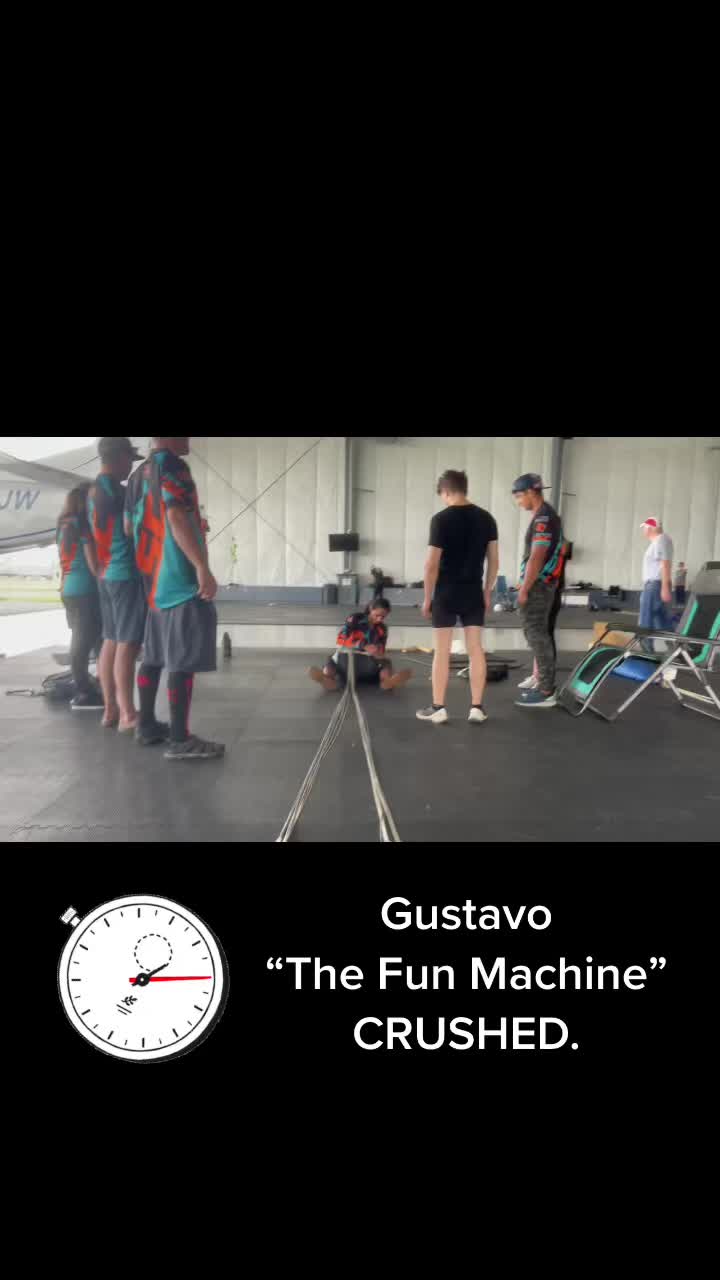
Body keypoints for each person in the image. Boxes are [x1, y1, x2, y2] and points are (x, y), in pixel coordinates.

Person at [128, 436, 225, 761]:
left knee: (154, 656)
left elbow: (130, 527)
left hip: (153, 582)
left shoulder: (138, 474)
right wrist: (201, 566)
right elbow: (174, 516)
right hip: (179, 580)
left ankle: (145, 725)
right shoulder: (173, 466)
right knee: (181, 661)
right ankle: (180, 739)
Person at [416, 470, 499, 725]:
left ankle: (438, 707)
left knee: (442, 652)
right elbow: (494, 561)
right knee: (476, 650)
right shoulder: (487, 518)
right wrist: (487, 592)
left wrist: (427, 598)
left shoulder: (440, 520)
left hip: (446, 593)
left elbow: (431, 565)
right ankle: (477, 708)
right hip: (473, 592)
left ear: (446, 492)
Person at [88, 437, 146, 732]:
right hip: (124, 573)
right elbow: (131, 528)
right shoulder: (116, 491)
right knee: (128, 642)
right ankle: (128, 714)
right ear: (119, 457)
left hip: (107, 574)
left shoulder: (93, 490)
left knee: (110, 639)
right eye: (129, 460)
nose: (130, 466)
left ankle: (111, 708)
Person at [512, 474, 566, 709]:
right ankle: (543, 683)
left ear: (530, 492)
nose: (517, 502)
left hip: (539, 586)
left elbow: (537, 556)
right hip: (541, 582)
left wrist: (525, 588)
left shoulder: (544, 518)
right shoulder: (545, 515)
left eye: (518, 496)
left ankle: (546, 690)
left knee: (536, 635)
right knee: (538, 634)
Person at [57, 485, 104, 711]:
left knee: (85, 639)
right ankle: (85, 691)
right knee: (84, 642)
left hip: (68, 588)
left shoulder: (63, 526)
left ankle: (93, 686)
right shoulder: (82, 526)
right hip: (85, 589)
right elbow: (93, 564)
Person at [308, 599, 413, 692]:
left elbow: (381, 650)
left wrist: (378, 652)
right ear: (371, 609)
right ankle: (327, 678)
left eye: (383, 617)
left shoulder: (381, 628)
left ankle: (387, 682)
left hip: (365, 667)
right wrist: (364, 645)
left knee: (332, 660)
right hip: (351, 663)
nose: (380, 619)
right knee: (332, 660)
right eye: (377, 615)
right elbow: (343, 639)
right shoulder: (356, 619)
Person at [518, 538, 570, 693]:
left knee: (543, 636)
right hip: (548, 591)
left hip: (551, 593)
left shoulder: (555, 551)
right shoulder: (552, 551)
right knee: (539, 636)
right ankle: (537, 675)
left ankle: (543, 680)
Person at [639, 518, 674, 631]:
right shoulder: (658, 541)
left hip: (655, 585)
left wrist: (665, 587)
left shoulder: (661, 539)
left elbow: (665, 563)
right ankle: (672, 640)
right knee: (660, 619)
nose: (644, 530)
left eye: (644, 528)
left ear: (650, 528)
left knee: (646, 620)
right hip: (655, 585)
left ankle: (645, 641)